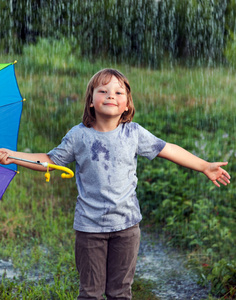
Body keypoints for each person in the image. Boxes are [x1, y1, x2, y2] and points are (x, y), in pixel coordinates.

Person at [0, 68, 231, 300]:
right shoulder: (78, 136)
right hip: (89, 228)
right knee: (90, 293)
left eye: (118, 92)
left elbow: (167, 149)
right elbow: (49, 160)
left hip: (127, 227)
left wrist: (203, 165)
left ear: (127, 104)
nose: (111, 95)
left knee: (120, 292)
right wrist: (12, 155)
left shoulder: (133, 133)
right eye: (103, 91)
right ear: (91, 101)